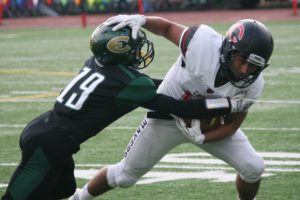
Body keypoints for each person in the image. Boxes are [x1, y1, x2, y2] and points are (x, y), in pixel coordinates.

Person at [1, 22, 246, 200]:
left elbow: (156, 86)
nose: (139, 50)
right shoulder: (129, 83)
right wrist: (227, 104)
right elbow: (179, 107)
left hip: (46, 132)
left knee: (62, 190)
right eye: (135, 46)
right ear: (119, 50)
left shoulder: (97, 63)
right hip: (48, 146)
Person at [69, 15, 274, 200]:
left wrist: (203, 137)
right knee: (125, 176)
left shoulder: (253, 84)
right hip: (165, 116)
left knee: (254, 167)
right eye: (242, 60)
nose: (245, 70)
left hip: (205, 127)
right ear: (230, 50)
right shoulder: (201, 43)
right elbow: (167, 28)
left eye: (254, 66)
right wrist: (142, 20)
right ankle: (80, 197)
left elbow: (231, 126)